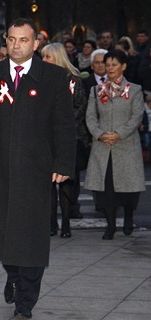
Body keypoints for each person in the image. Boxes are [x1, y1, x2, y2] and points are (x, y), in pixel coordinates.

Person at [0, 18, 75, 319]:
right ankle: (13, 275)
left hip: (36, 170)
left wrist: (63, 162)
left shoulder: (52, 77)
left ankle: (26, 300)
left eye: (23, 40)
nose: (16, 45)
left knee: (32, 236)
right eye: (11, 39)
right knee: (1, 232)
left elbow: (64, 126)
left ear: (35, 43)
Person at [84, 50, 146, 240]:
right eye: (107, 64)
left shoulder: (134, 89)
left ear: (123, 66)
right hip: (103, 146)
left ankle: (128, 218)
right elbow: (90, 117)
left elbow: (137, 117)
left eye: (114, 64)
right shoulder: (96, 89)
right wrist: (100, 134)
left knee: (128, 188)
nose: (109, 68)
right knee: (106, 189)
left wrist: (119, 134)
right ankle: (110, 225)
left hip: (126, 145)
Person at [41, 43, 91, 238]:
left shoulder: (74, 80)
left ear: (58, 58)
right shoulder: (40, 80)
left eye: (47, 57)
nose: (44, 61)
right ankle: (51, 223)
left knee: (67, 183)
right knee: (48, 185)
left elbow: (81, 106)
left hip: (71, 137)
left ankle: (67, 223)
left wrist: (63, 123)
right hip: (46, 138)